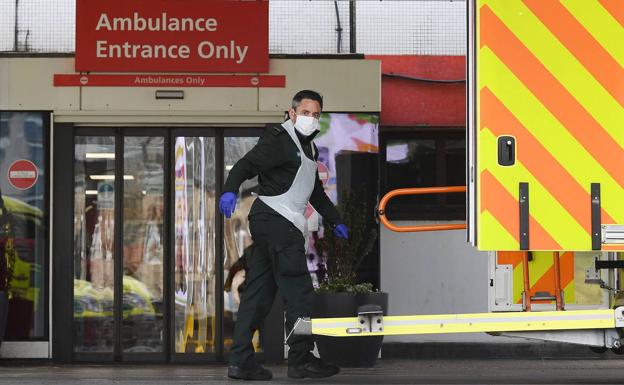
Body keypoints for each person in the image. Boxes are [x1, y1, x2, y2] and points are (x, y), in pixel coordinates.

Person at [219, 90, 349, 381]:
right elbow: (246, 164)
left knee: (258, 294)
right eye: (306, 113)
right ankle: (301, 360)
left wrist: (336, 220)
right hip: (277, 222)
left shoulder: (309, 148)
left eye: (316, 114)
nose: (311, 118)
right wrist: (230, 188)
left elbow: (314, 191)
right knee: (299, 292)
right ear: (291, 113)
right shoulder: (279, 140)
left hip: (272, 223)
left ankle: (240, 362)